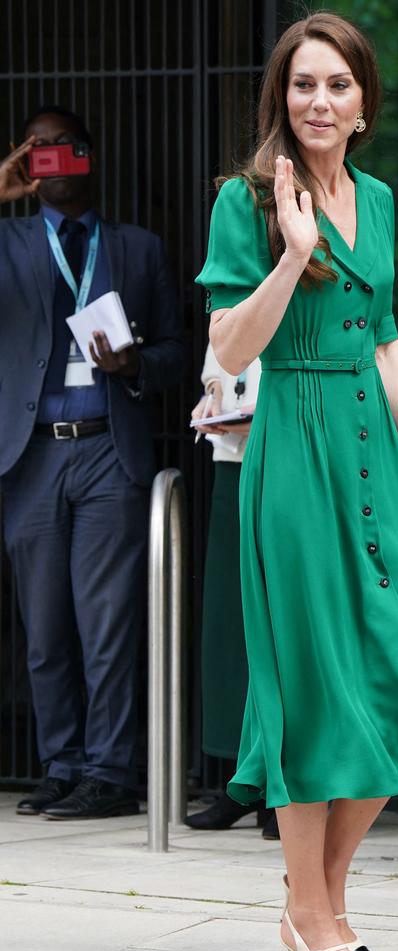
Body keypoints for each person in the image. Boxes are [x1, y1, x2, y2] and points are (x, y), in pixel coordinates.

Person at [195, 12, 398, 951]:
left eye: (335, 85)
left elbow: (382, 336)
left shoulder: (376, 199)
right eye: (301, 85)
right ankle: (315, 915)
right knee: (309, 687)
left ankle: (319, 900)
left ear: (362, 103)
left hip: (371, 453)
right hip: (291, 447)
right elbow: (227, 349)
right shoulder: (246, 199)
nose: (317, 102)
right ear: (281, 96)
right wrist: (291, 255)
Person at [0, 106, 184, 820]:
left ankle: (111, 770)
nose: (47, 159)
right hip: (31, 454)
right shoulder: (10, 240)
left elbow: (177, 349)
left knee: (106, 621)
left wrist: (138, 362)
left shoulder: (136, 248)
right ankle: (61, 762)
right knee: (44, 627)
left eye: (60, 148)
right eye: (34, 150)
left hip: (109, 446)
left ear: (88, 155)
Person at [185, 348, 279, 839]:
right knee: (233, 626)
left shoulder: (296, 274)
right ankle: (244, 783)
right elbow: (218, 364)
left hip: (287, 461)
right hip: (231, 463)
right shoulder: (228, 283)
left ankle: (284, 788)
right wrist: (210, 397)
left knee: (283, 630)